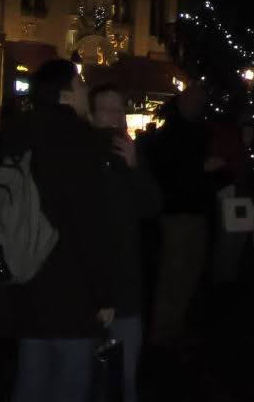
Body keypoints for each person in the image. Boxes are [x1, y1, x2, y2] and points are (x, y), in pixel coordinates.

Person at [0, 58, 116, 402]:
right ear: (65, 93)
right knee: (70, 379)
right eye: (80, 83)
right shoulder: (82, 141)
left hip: (24, 272)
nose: (85, 90)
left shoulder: (17, 132)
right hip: (70, 284)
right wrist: (103, 292)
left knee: (31, 375)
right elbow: (90, 224)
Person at [141, 83, 227, 351]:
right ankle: (164, 329)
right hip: (180, 210)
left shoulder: (187, 131)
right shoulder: (177, 134)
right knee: (176, 270)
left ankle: (171, 326)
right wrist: (201, 169)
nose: (197, 105)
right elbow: (170, 170)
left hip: (189, 209)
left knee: (186, 269)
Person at [90, 84, 162, 402]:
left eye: (119, 109)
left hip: (126, 286)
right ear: (92, 114)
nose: (115, 116)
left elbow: (151, 206)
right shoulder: (80, 156)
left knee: (124, 376)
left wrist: (134, 168)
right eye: (107, 109)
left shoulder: (128, 154)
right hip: (89, 286)